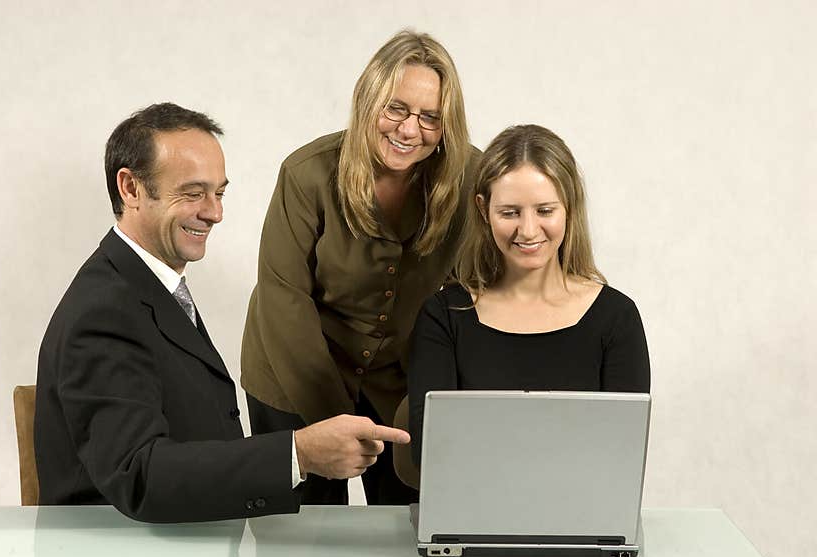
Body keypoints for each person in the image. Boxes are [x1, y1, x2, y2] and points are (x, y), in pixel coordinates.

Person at [33, 102, 409, 523]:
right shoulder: (103, 312)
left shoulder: (147, 287)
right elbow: (140, 474)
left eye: (219, 192)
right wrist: (298, 454)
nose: (215, 212)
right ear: (131, 189)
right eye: (193, 193)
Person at [241, 30, 481, 505]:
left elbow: (483, 285)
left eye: (430, 117)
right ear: (367, 99)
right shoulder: (306, 173)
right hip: (294, 369)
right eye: (396, 108)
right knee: (299, 543)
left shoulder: (472, 175)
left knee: (404, 532)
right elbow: (283, 297)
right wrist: (333, 420)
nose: (410, 130)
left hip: (399, 378)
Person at [408, 124, 651, 465]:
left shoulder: (616, 318)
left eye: (545, 211)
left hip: (585, 515)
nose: (528, 230)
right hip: (471, 515)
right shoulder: (445, 315)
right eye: (509, 213)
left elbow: (622, 456)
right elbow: (431, 453)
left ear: (570, 206)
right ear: (483, 209)